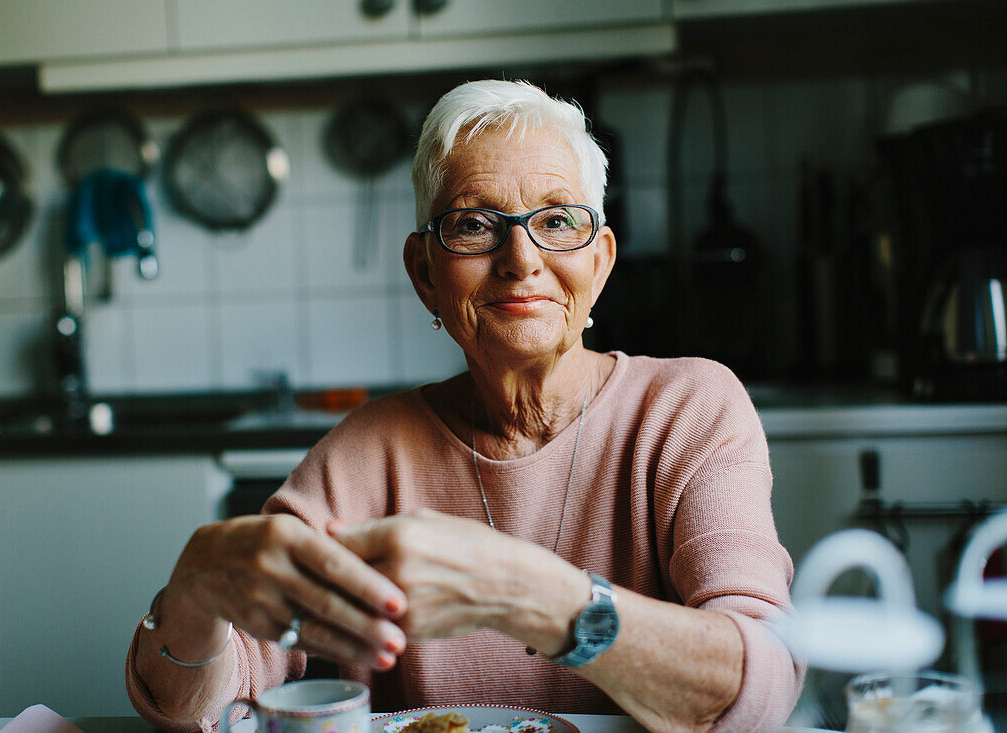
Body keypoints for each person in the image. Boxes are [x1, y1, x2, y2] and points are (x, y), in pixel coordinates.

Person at [126, 79, 803, 733]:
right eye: (475, 224)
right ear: (425, 274)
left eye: (556, 220)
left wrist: (527, 592)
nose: (520, 258)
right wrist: (192, 594)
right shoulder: (370, 452)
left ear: (599, 264)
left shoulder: (687, 410)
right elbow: (207, 707)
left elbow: (762, 679)